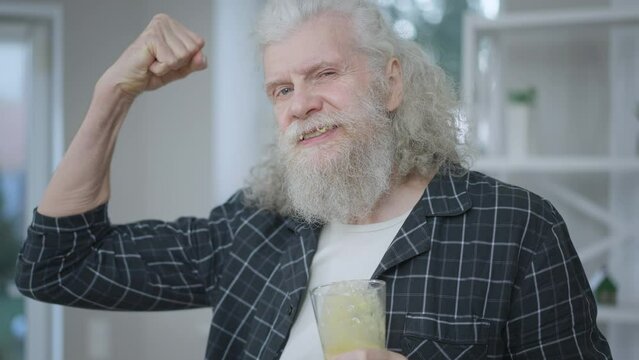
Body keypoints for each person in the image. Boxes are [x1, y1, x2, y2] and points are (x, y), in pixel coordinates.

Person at [15, 0, 612, 359]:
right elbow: (58, 267)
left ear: (392, 84)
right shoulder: (253, 230)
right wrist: (111, 95)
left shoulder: (516, 229)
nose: (300, 105)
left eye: (324, 73)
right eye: (281, 89)